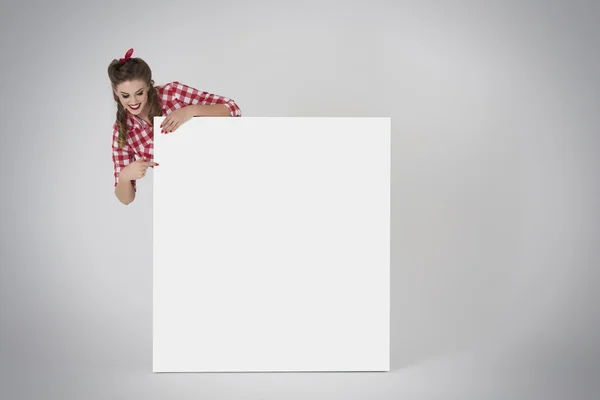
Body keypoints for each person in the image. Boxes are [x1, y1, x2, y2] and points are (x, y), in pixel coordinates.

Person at [107, 48, 242, 205]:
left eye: (139, 92)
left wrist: (190, 111)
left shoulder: (173, 94)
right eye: (125, 96)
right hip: (183, 198)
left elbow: (233, 109)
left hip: (221, 176)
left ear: (148, 86)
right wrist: (125, 176)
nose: (133, 101)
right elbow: (125, 199)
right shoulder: (122, 130)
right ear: (116, 93)